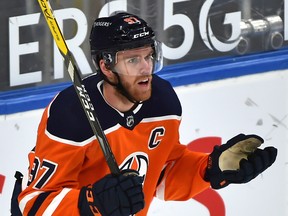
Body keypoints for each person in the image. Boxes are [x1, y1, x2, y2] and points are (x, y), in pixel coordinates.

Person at [12, 12, 277, 216]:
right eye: (133, 60)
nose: (145, 69)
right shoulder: (71, 114)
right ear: (106, 65)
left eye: (149, 56)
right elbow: (33, 204)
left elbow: (162, 175)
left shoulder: (162, 101)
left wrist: (210, 169)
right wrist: (91, 203)